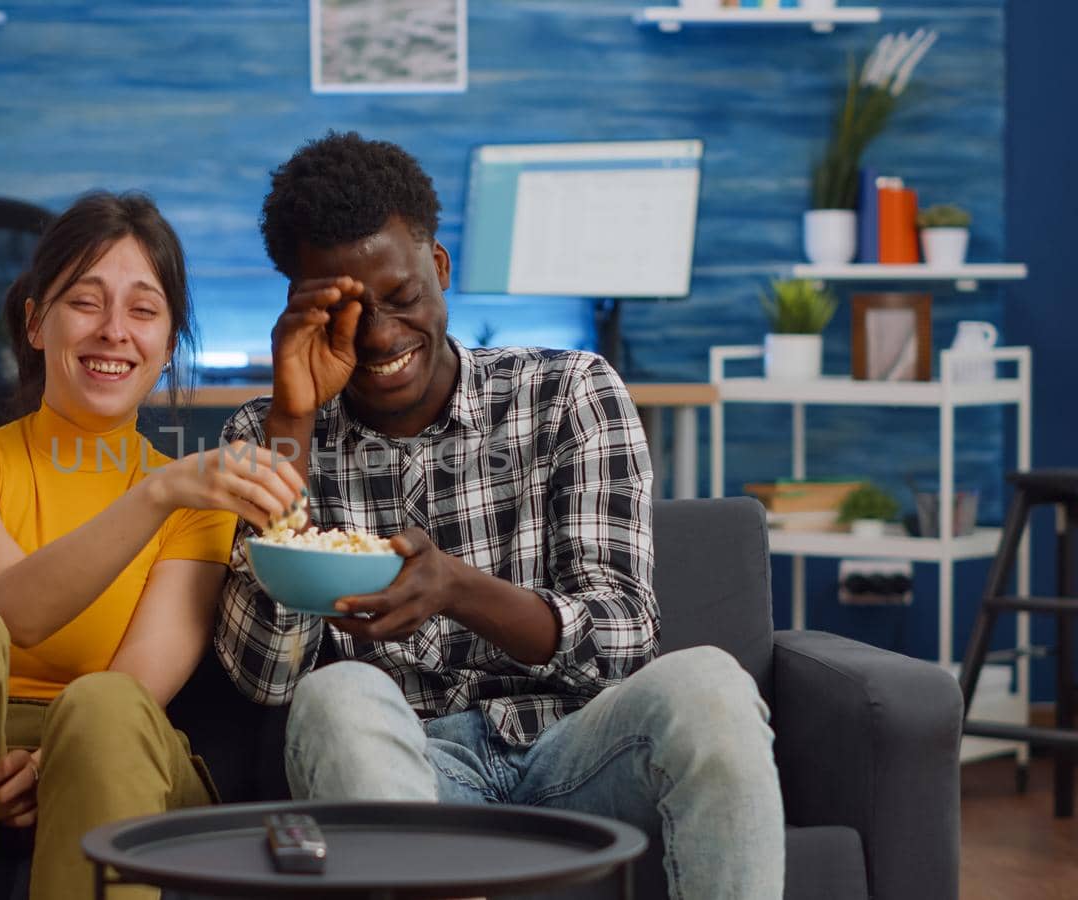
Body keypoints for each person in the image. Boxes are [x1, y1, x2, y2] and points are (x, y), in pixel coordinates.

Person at [216, 132, 784, 898]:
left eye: (403, 298)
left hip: (578, 752)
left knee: (710, 683)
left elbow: (623, 638)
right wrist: (293, 418)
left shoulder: (568, 392)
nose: (381, 337)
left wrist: (457, 590)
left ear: (440, 269)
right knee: (334, 694)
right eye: (348, 316)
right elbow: (263, 680)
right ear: (299, 310)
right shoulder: (264, 435)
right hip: (407, 767)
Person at [0, 191, 306, 900]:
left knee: (106, 707)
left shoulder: (193, 501)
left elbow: (134, 689)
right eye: (86, 302)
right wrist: (153, 494)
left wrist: (42, 765)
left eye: (143, 310)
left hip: (109, 760)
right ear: (34, 323)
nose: (115, 331)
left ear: (168, 343)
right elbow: (11, 609)